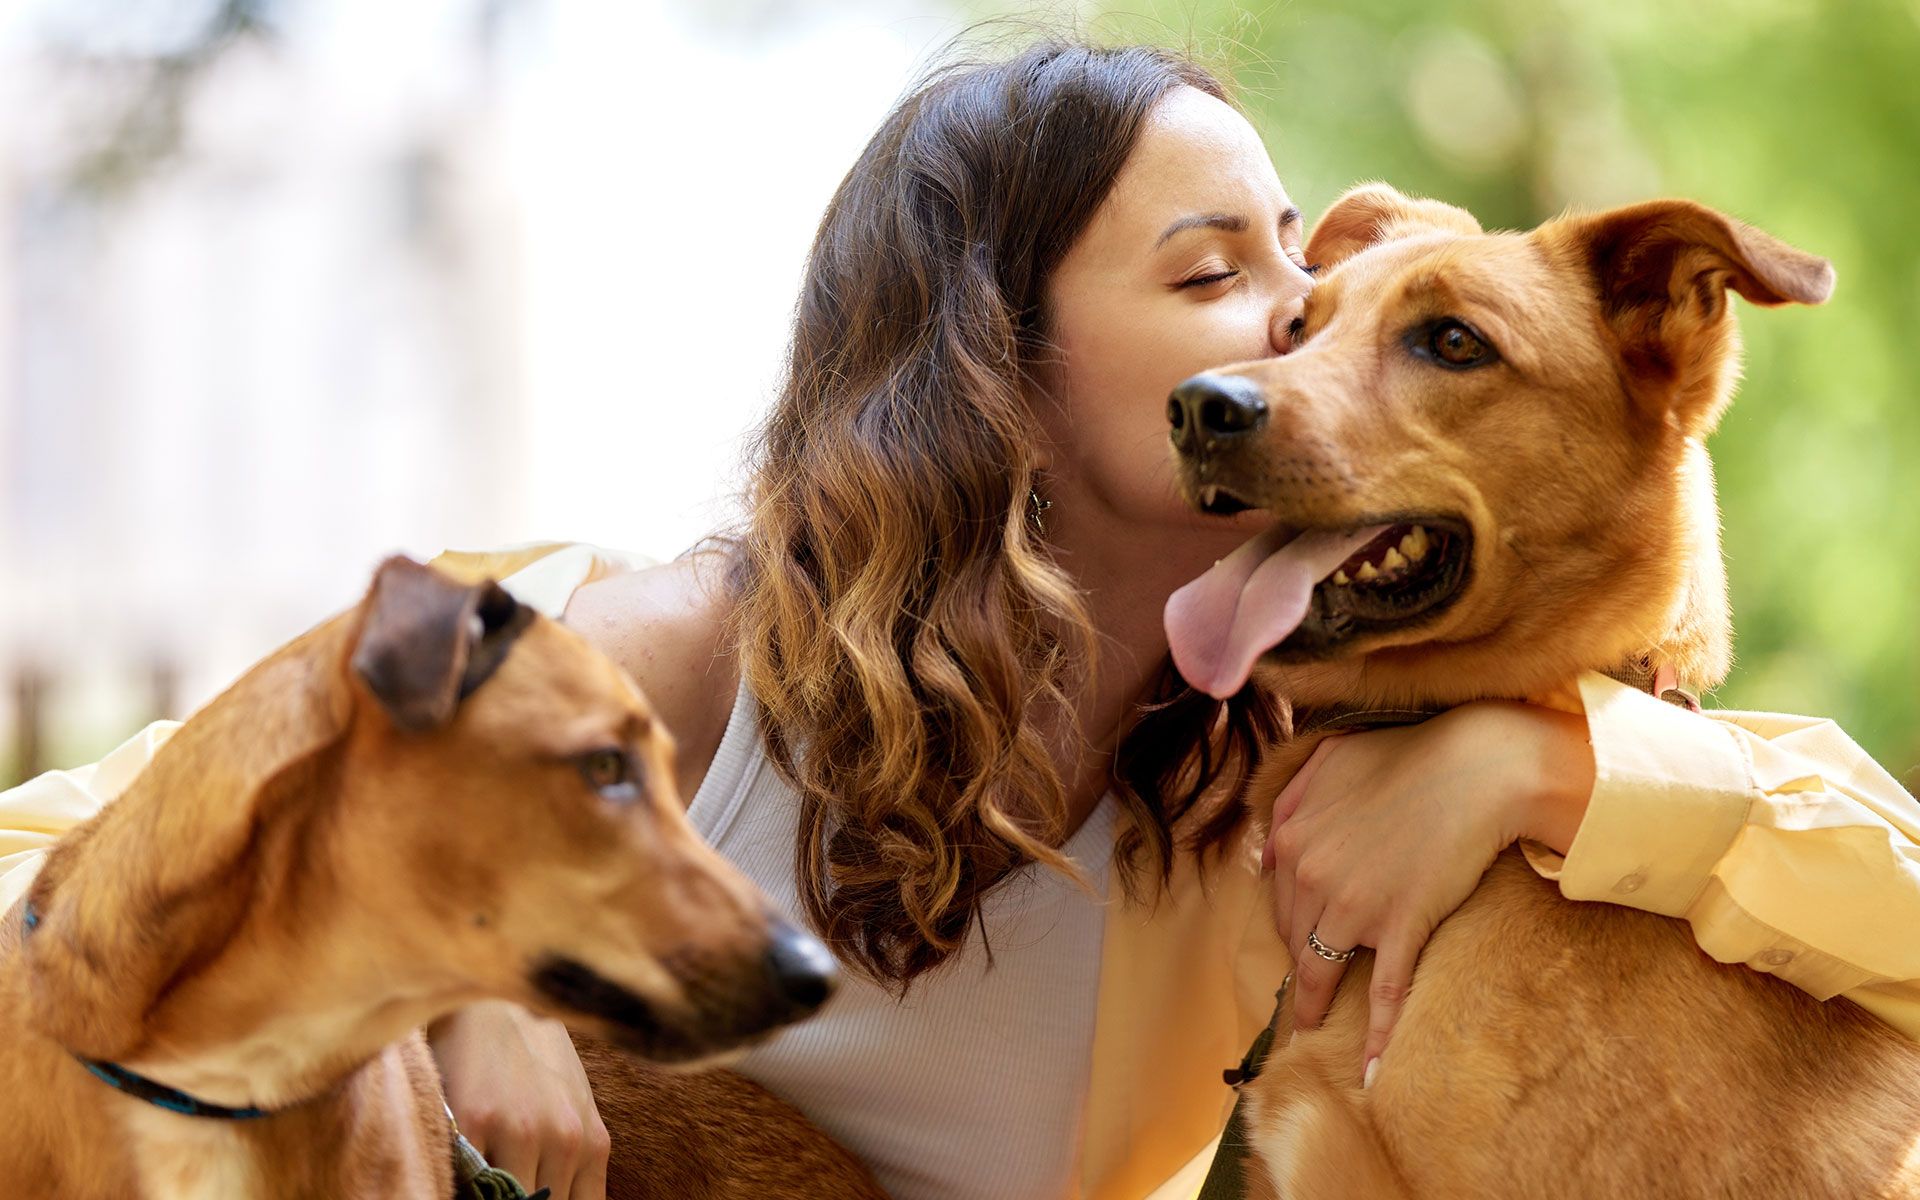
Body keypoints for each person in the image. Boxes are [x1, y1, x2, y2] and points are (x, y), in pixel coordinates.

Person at [3, 39, 1916, 1200]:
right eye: (1217, 273)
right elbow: (65, 881)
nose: (1293, 327)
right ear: (999, 364)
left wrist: (1540, 763)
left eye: (1307, 277)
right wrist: (443, 989)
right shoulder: (677, 658)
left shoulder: (1288, 779)